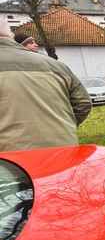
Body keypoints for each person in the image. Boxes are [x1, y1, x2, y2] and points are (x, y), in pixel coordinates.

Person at [0, 17, 92, 151]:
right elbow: (83, 102)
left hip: (10, 161)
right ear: (12, 36)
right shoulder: (56, 65)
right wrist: (62, 127)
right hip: (63, 149)